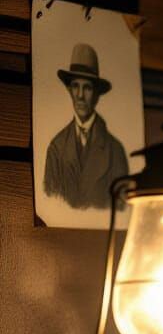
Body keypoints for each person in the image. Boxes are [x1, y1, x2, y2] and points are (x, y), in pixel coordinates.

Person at [43, 43, 128, 211]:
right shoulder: (56, 148)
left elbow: (121, 209)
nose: (80, 95)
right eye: (76, 86)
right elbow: (49, 200)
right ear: (70, 90)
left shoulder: (115, 151)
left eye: (87, 87)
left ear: (97, 94)